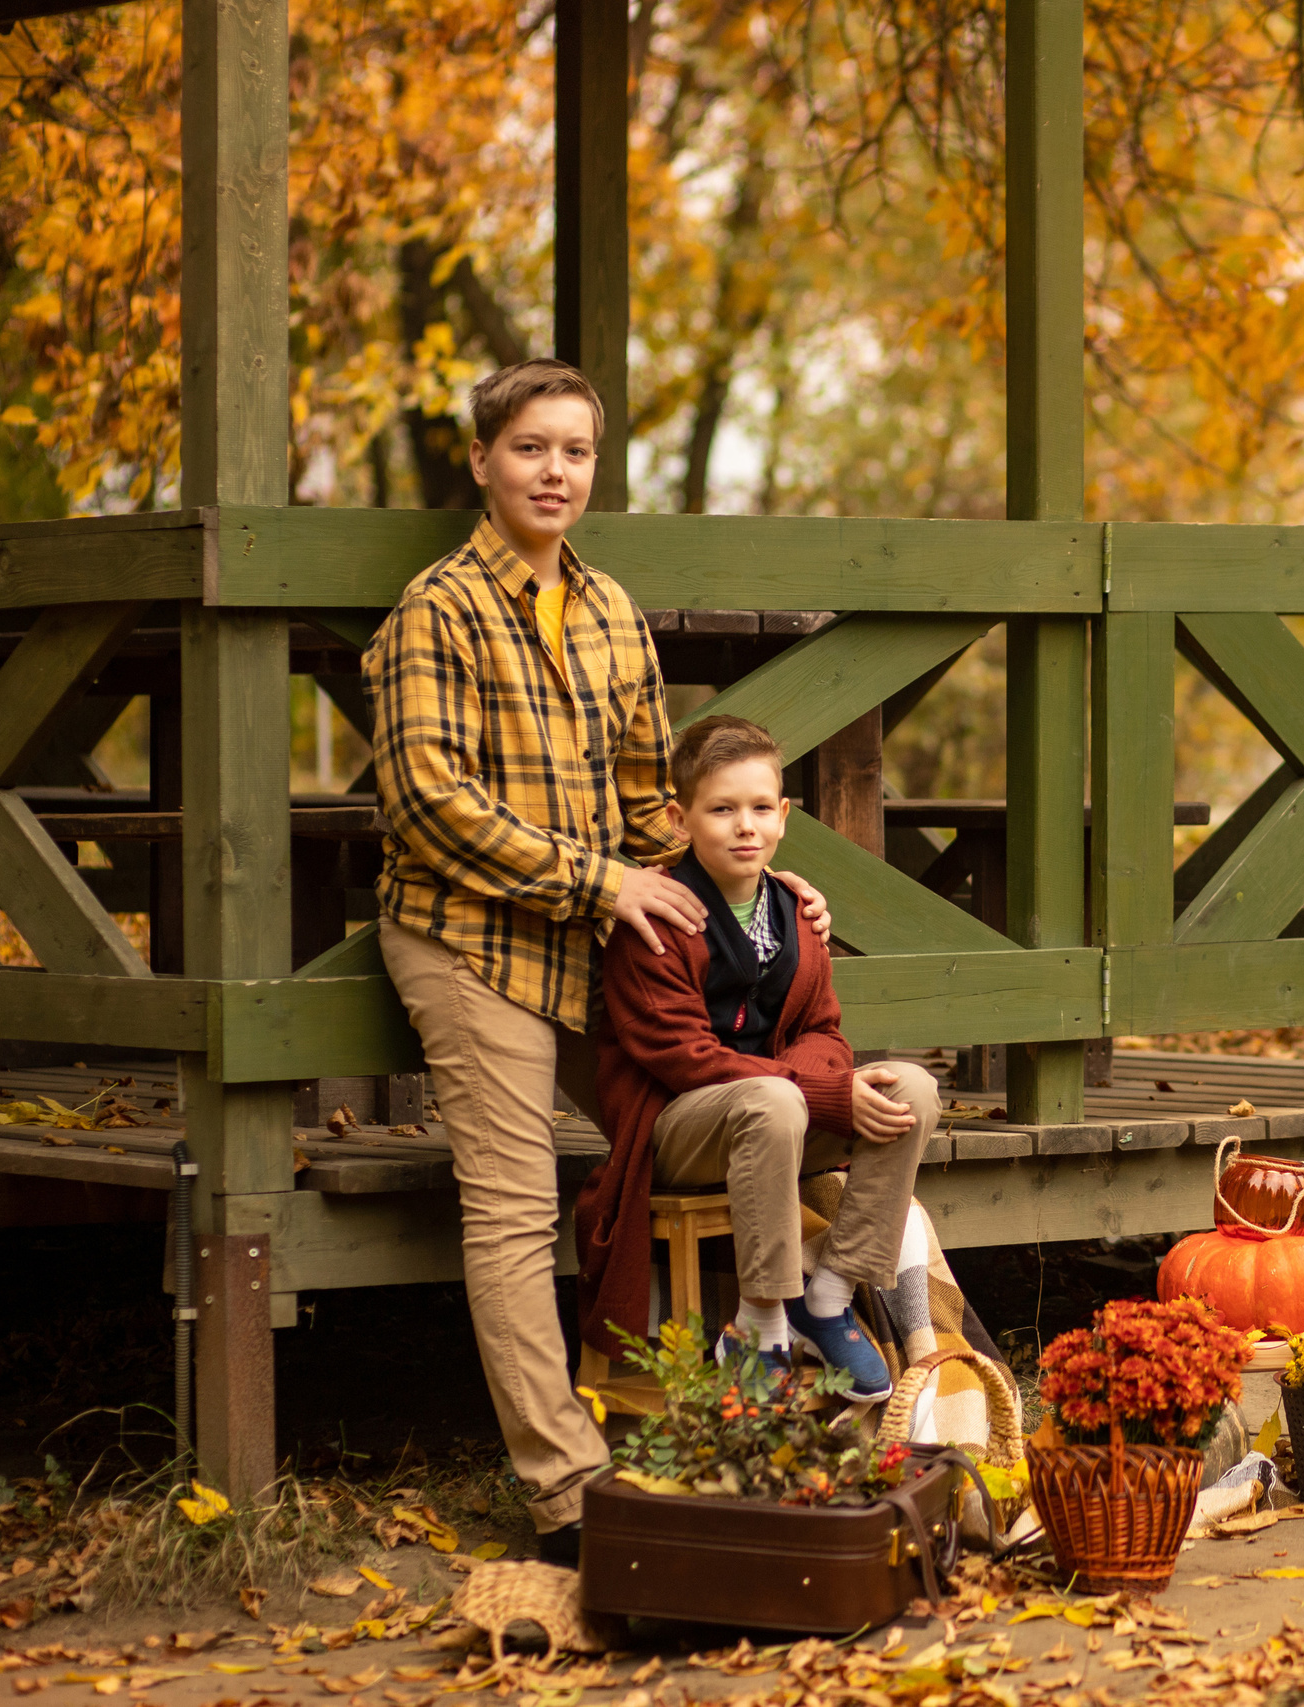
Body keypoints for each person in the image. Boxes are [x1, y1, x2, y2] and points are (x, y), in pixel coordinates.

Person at [362, 360, 831, 1565]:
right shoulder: (435, 612)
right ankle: (568, 1492)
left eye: (574, 451)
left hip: (595, 934)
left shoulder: (611, 610)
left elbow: (642, 801)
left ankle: (768, 1390)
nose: (554, 472)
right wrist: (602, 884)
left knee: (740, 1101)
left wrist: (753, 889)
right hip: (470, 939)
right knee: (514, 1208)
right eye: (530, 448)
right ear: (482, 461)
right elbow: (428, 805)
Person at [580, 714, 939, 1404]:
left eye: (759, 809)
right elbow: (685, 1058)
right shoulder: (656, 920)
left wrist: (824, 1084)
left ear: (782, 816)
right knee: (774, 1101)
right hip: (677, 1132)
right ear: (680, 819)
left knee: (913, 1089)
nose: (744, 826)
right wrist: (818, 1091)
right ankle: (761, 1321)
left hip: (781, 1119)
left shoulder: (795, 912)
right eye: (721, 810)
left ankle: (828, 1296)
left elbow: (825, 1031)